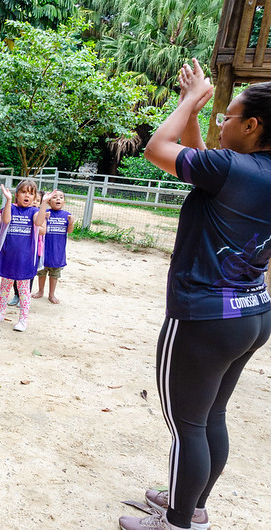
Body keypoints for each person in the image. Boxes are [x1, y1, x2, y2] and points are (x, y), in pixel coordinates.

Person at [117, 62, 271, 530]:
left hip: (204, 316)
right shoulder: (249, 171)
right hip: (252, 314)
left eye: (228, 116)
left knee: (188, 425)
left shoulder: (231, 169)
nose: (220, 121)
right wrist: (198, 112)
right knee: (211, 417)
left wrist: (190, 101)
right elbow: (207, 170)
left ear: (252, 125)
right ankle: (192, 501)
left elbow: (156, 149)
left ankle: (180, 522)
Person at [0, 181, 54, 332]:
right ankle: (0, 313)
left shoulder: (34, 212)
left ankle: (23, 320)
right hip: (8, 256)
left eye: (31, 193)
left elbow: (39, 222)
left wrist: (44, 203)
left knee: (24, 290)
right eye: (24, 192)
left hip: (26, 259)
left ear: (34, 197)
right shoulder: (10, 208)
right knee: (5, 286)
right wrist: (8, 200)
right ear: (17, 194)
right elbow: (5, 221)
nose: (27, 195)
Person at [34, 190, 73, 304]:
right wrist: (44, 218)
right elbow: (39, 227)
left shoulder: (67, 215)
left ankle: (51, 294)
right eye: (55, 197)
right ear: (49, 201)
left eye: (61, 197)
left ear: (64, 202)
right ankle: (40, 291)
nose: (58, 199)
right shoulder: (45, 212)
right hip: (44, 251)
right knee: (41, 273)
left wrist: (71, 223)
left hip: (58, 252)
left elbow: (69, 231)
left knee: (54, 275)